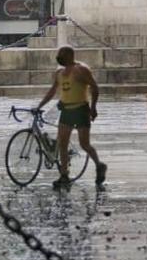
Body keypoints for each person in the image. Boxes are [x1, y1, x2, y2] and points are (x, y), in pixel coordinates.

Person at [36, 46, 108, 189]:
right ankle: (64, 175)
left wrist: (93, 107)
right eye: (58, 54)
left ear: (70, 55)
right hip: (66, 111)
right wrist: (40, 105)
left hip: (81, 110)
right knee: (63, 144)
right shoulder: (59, 73)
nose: (59, 57)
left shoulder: (81, 69)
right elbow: (52, 90)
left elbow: (94, 87)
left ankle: (99, 165)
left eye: (61, 55)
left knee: (84, 144)